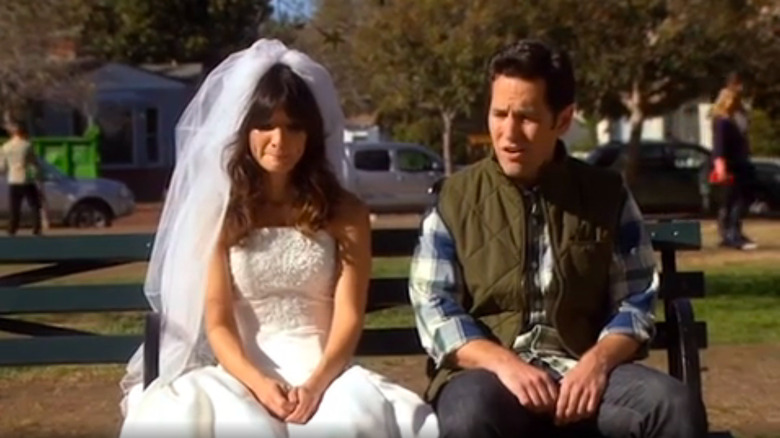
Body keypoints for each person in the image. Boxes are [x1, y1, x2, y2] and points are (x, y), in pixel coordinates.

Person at [119, 39, 438, 438]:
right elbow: (218, 321)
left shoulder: (346, 213)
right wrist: (258, 383)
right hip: (242, 370)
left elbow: (349, 314)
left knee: (347, 422)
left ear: (311, 135)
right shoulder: (219, 215)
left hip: (324, 371)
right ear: (245, 130)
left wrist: (317, 384)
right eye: (266, 125)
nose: (279, 140)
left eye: (293, 127)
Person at [409, 39, 707, 438]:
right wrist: (504, 364)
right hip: (490, 377)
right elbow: (434, 305)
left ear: (563, 120)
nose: (509, 133)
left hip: (584, 373)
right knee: (469, 413)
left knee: (672, 405)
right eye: (499, 114)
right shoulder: (454, 198)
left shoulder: (606, 195)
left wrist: (597, 363)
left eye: (527, 117)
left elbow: (636, 299)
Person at [710, 85, 757, 250]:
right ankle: (730, 234)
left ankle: (734, 231)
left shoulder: (735, 120)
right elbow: (719, 147)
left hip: (740, 165)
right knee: (732, 202)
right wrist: (720, 167)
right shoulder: (722, 122)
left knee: (740, 200)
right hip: (730, 167)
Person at [1, 117, 43, 236]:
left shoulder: (5, 147)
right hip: (25, 179)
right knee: (34, 204)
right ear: (23, 133)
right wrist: (38, 174)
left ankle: (12, 228)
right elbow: (34, 162)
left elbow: (2, 167)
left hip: (13, 179)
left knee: (14, 206)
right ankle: (36, 227)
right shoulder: (27, 145)